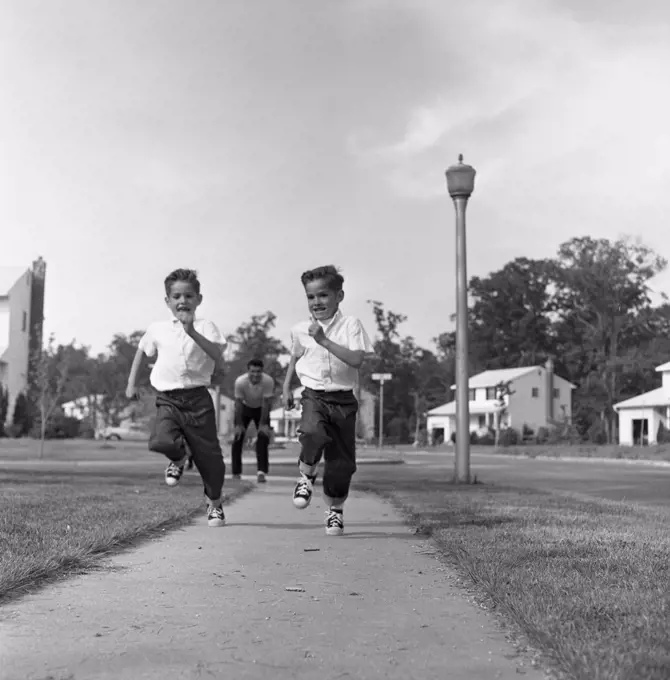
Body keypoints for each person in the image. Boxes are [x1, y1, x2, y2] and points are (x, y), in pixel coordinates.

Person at [125, 268, 227, 528]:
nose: (183, 301)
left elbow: (217, 354)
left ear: (199, 299)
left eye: (189, 296)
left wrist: (191, 331)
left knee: (210, 458)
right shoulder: (157, 329)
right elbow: (141, 352)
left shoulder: (207, 327)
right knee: (160, 440)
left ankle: (214, 504)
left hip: (199, 400)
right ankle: (179, 458)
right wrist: (131, 383)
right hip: (169, 398)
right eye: (177, 296)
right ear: (167, 301)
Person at [282, 265, 374, 536]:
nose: (316, 302)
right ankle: (306, 475)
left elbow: (357, 360)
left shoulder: (351, 325)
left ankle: (335, 511)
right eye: (311, 297)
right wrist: (287, 386)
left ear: (339, 296)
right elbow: (296, 356)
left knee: (342, 464)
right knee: (311, 432)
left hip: (343, 399)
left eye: (323, 295)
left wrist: (323, 340)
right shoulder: (300, 329)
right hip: (313, 395)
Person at [231, 358, 275, 483]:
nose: (255, 374)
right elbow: (238, 404)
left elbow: (266, 404)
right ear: (248, 371)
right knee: (237, 438)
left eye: (258, 372)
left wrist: (262, 424)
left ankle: (261, 472)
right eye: (253, 371)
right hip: (245, 408)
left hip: (261, 409)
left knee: (263, 437)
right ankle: (236, 472)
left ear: (262, 371)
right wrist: (239, 424)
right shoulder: (240, 382)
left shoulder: (268, 381)